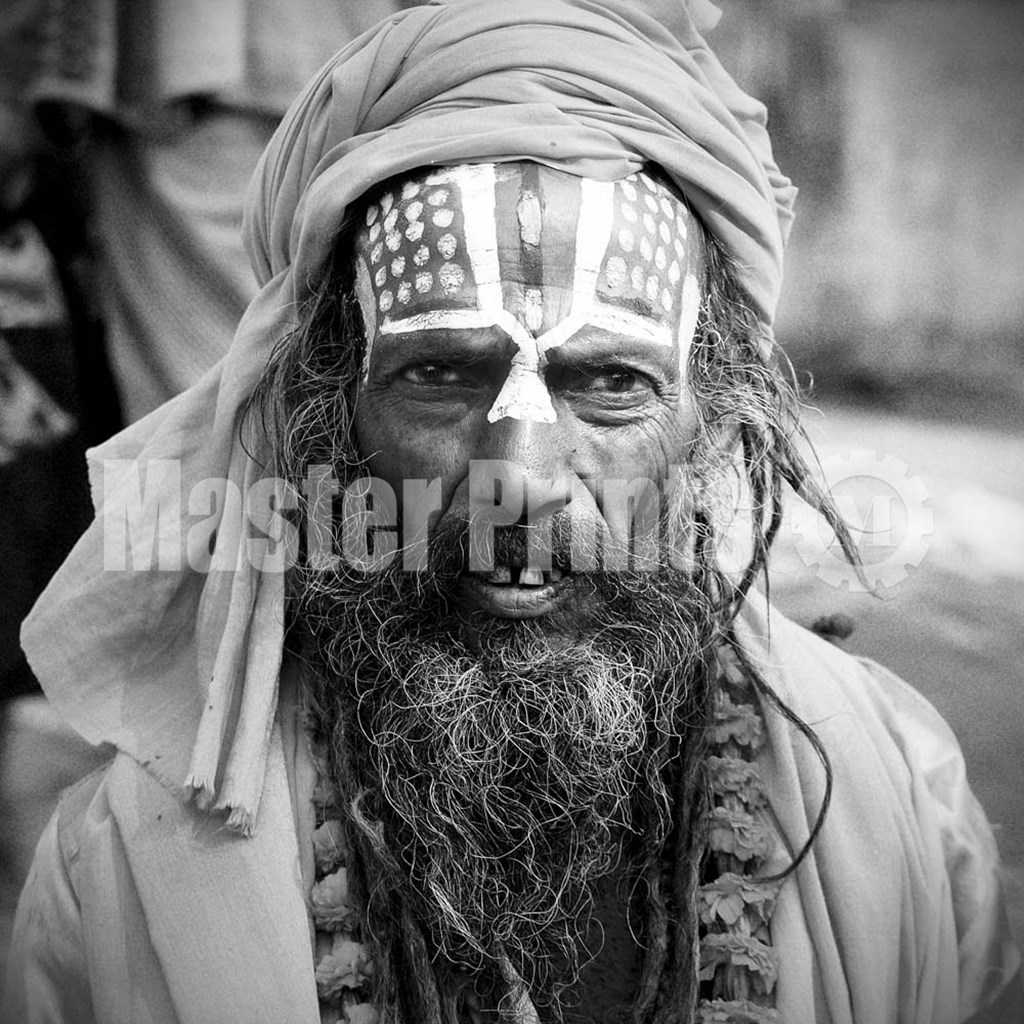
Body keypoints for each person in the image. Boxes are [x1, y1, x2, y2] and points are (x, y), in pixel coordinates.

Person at [3, 1, 1020, 1022]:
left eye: (611, 382)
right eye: (439, 372)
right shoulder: (121, 875)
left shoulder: (900, 801)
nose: (519, 476)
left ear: (713, 420)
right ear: (326, 414)